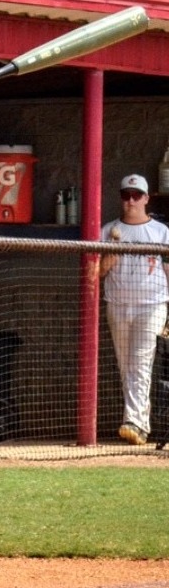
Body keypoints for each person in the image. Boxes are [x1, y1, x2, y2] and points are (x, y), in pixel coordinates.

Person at [100, 174, 169, 446]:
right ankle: (139, 424)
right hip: (118, 304)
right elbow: (97, 273)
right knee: (126, 365)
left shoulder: (161, 232)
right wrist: (112, 252)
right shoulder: (109, 230)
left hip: (152, 304)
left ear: (146, 198)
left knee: (140, 362)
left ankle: (135, 422)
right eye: (126, 195)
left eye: (136, 195)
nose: (131, 200)